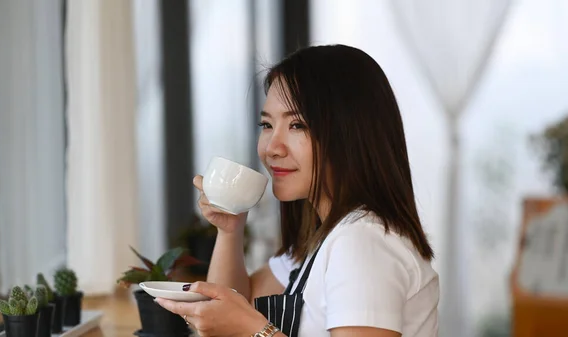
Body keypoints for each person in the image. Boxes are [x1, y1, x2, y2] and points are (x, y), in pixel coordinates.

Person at [156, 44, 439, 337]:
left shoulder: (362, 243)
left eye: (297, 125)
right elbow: (231, 305)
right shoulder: (322, 239)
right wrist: (230, 231)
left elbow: (241, 321)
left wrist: (256, 330)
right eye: (267, 124)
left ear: (351, 134)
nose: (272, 148)